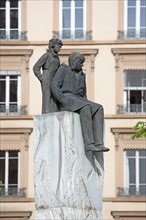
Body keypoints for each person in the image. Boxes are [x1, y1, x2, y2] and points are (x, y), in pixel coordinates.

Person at [51, 51, 109, 152]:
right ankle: (89, 144)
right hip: (66, 97)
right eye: (80, 62)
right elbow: (54, 85)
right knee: (85, 107)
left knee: (99, 108)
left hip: (79, 99)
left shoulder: (82, 74)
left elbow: (84, 91)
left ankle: (99, 143)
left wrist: (86, 101)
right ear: (74, 61)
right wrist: (61, 98)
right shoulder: (63, 69)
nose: (82, 64)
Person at [33, 38, 63, 114]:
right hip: (46, 76)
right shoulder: (46, 55)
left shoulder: (57, 58)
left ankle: (54, 111)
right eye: (58, 46)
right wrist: (41, 78)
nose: (59, 48)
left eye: (60, 47)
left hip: (54, 78)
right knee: (47, 95)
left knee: (54, 95)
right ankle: (46, 113)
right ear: (53, 46)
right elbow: (36, 67)